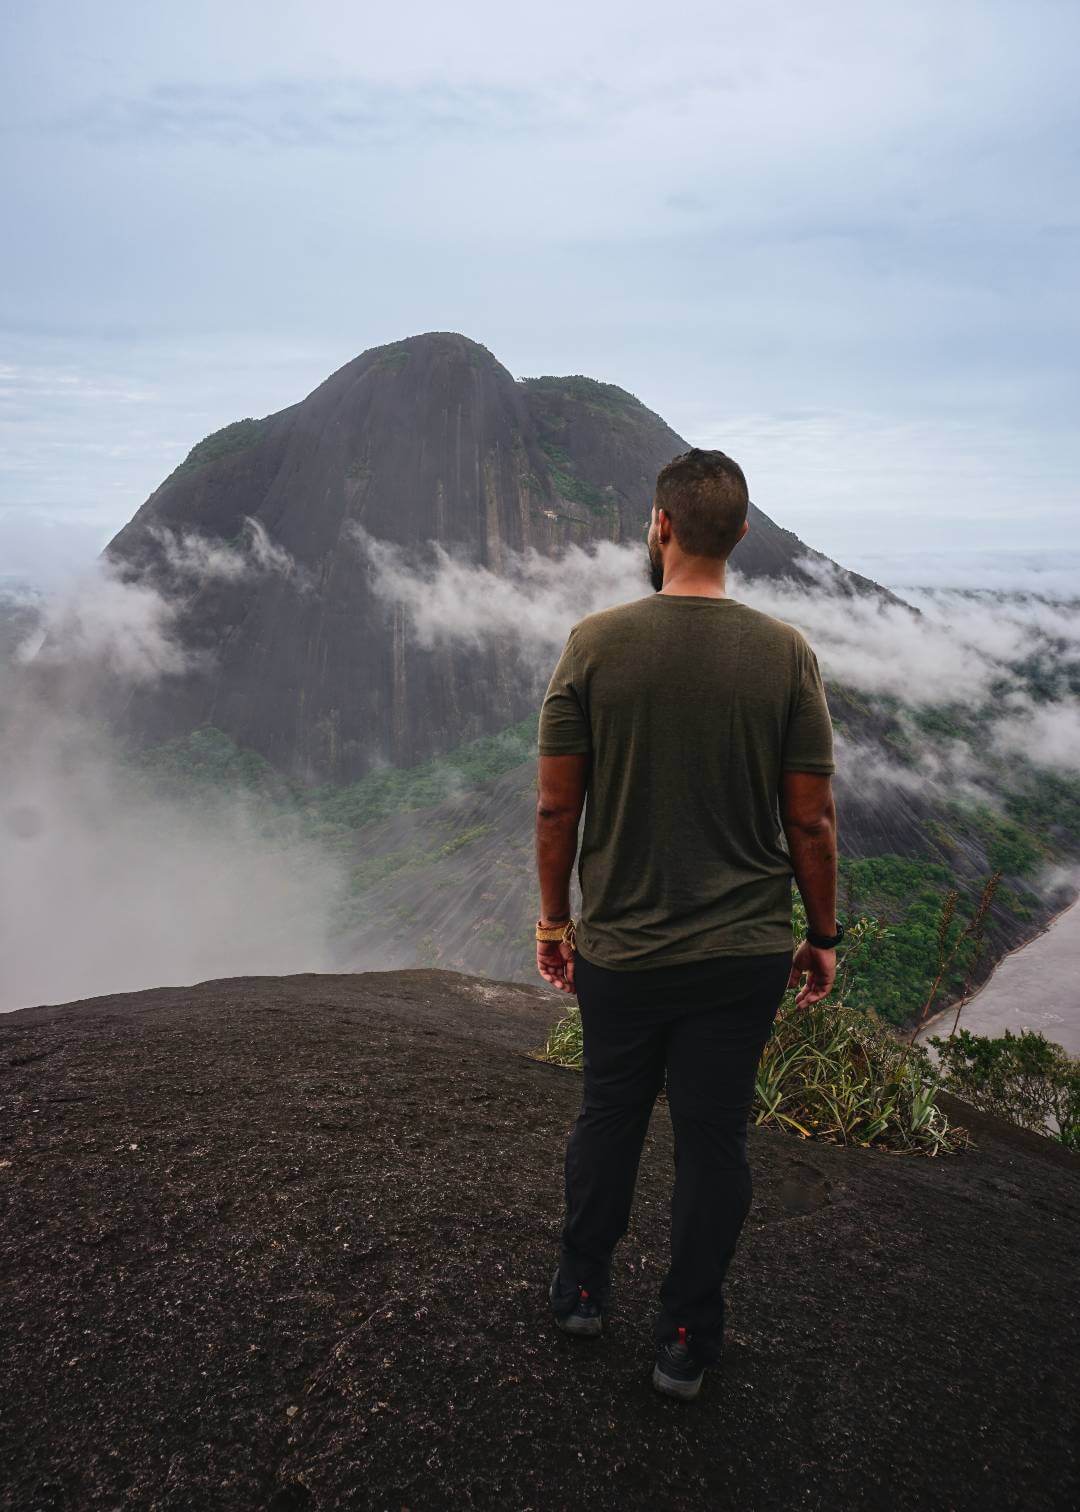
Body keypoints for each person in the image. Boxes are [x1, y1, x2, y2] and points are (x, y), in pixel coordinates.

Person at [534, 447, 840, 1402]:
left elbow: (556, 810)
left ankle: (583, 1288)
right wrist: (823, 936)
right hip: (741, 956)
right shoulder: (785, 654)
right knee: (715, 1143)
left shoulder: (593, 643)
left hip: (621, 951)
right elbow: (811, 819)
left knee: (610, 1116)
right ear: (740, 534)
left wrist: (555, 925)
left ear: (658, 526)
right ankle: (684, 1335)